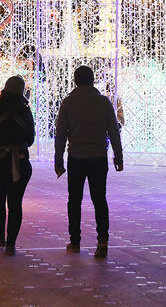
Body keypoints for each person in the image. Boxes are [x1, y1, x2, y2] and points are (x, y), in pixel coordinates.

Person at [54, 65, 123, 258]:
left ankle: (75, 241)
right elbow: (114, 132)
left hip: (76, 157)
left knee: (74, 201)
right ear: (92, 80)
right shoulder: (103, 102)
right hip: (98, 157)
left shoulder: (68, 103)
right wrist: (118, 156)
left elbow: (60, 135)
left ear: (75, 81)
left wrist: (58, 160)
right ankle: (102, 241)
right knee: (99, 200)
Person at [0, 75, 35, 256]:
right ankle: (11, 244)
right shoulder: (25, 112)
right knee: (16, 203)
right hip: (20, 164)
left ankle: (0, 236)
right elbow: (31, 140)